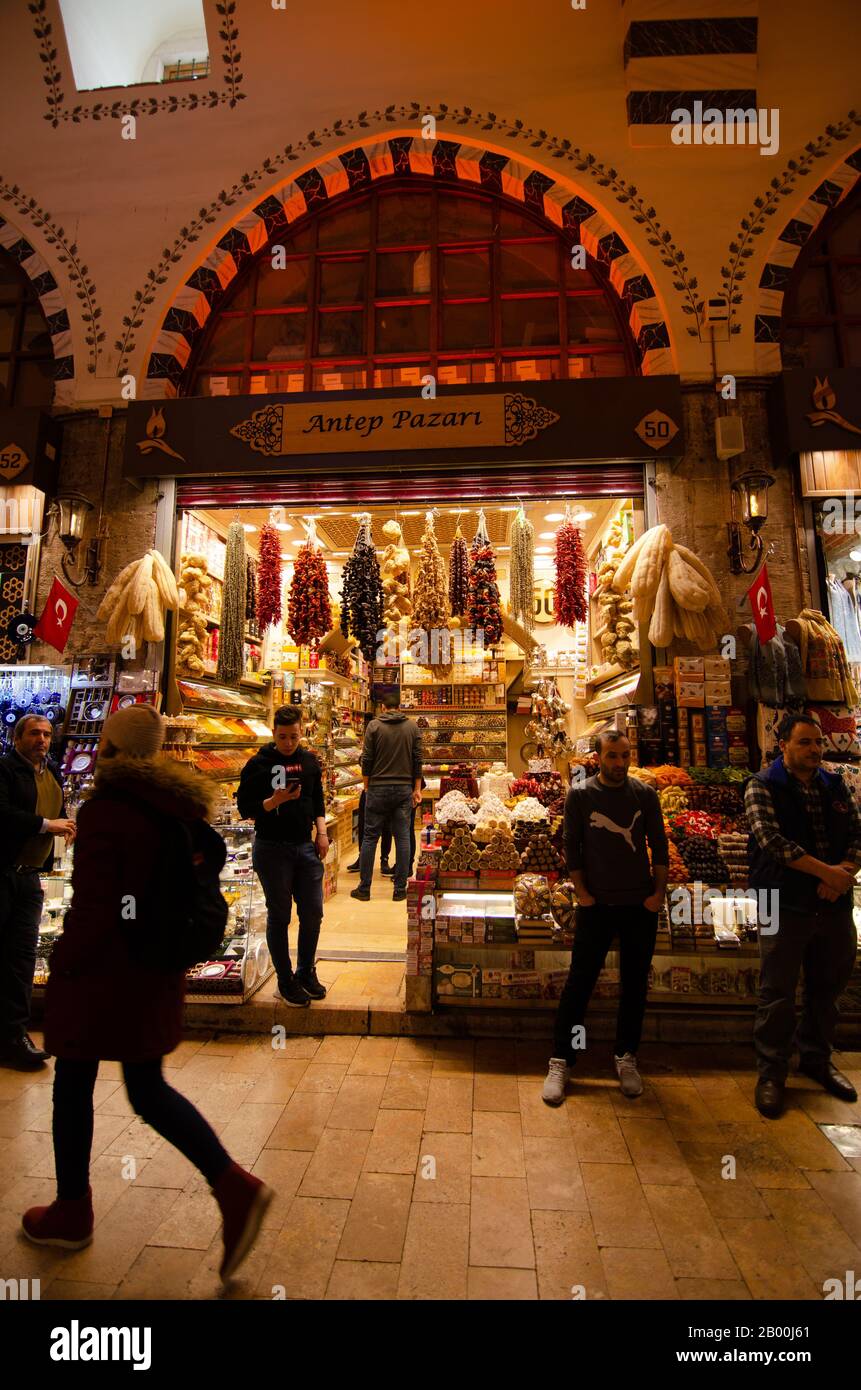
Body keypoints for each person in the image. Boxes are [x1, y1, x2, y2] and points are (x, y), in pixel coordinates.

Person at [22, 705, 272, 1281]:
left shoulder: (108, 811)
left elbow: (94, 908)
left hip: (105, 973)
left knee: (74, 1083)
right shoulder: (175, 806)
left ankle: (71, 1208)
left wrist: (65, 967)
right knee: (146, 1086)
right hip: (154, 967)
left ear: (107, 748)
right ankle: (231, 1184)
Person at [542, 730, 669, 1105]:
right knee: (579, 983)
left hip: (638, 906)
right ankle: (562, 1058)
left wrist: (657, 895)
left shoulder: (645, 795)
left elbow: (659, 845)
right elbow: (572, 845)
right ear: (598, 758)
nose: (619, 763)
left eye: (625, 755)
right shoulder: (580, 796)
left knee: (634, 985)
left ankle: (626, 1056)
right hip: (595, 906)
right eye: (612, 756)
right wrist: (581, 892)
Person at [745, 712, 860, 1118]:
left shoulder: (835, 784)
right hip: (779, 901)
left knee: (827, 989)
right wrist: (826, 873)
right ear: (783, 746)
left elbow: (858, 834)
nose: (815, 750)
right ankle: (772, 1074)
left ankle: (816, 1059)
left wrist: (843, 874)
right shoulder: (762, 785)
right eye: (805, 743)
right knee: (776, 992)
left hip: (833, 902)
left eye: (817, 742)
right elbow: (773, 842)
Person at [238, 704, 329, 1007]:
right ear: (273, 733)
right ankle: (285, 979)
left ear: (302, 732)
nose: (288, 743)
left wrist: (323, 832)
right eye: (282, 737)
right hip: (272, 848)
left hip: (305, 846)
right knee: (280, 915)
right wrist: (272, 801)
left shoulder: (309, 762)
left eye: (293, 736)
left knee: (313, 912)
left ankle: (306, 971)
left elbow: (317, 800)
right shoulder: (258, 764)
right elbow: (245, 808)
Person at [0, 713, 75, 1070]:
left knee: (21, 957)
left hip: (30, 877)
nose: (42, 740)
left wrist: (65, 825)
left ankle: (14, 1035)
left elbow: (56, 810)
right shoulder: (4, 770)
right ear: (18, 737)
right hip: (4, 872)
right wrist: (48, 825)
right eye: (34, 734)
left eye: (46, 734)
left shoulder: (51, 772)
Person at [350, 691, 423, 903]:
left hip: (377, 788)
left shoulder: (373, 726)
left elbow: (367, 759)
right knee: (402, 837)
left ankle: (364, 889)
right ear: (399, 707)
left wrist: (366, 786)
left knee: (370, 838)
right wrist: (416, 788)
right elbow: (417, 759)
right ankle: (400, 889)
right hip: (403, 789)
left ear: (383, 707)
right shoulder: (412, 727)